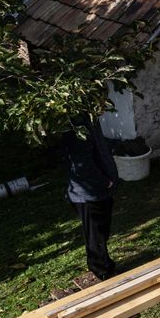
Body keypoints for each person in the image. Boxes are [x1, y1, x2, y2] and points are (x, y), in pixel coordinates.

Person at [59, 117, 120, 284]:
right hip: (88, 193)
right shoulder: (77, 124)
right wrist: (103, 181)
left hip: (98, 191)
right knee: (96, 237)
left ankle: (105, 266)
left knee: (101, 232)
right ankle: (102, 274)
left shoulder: (88, 117)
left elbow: (95, 146)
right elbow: (81, 163)